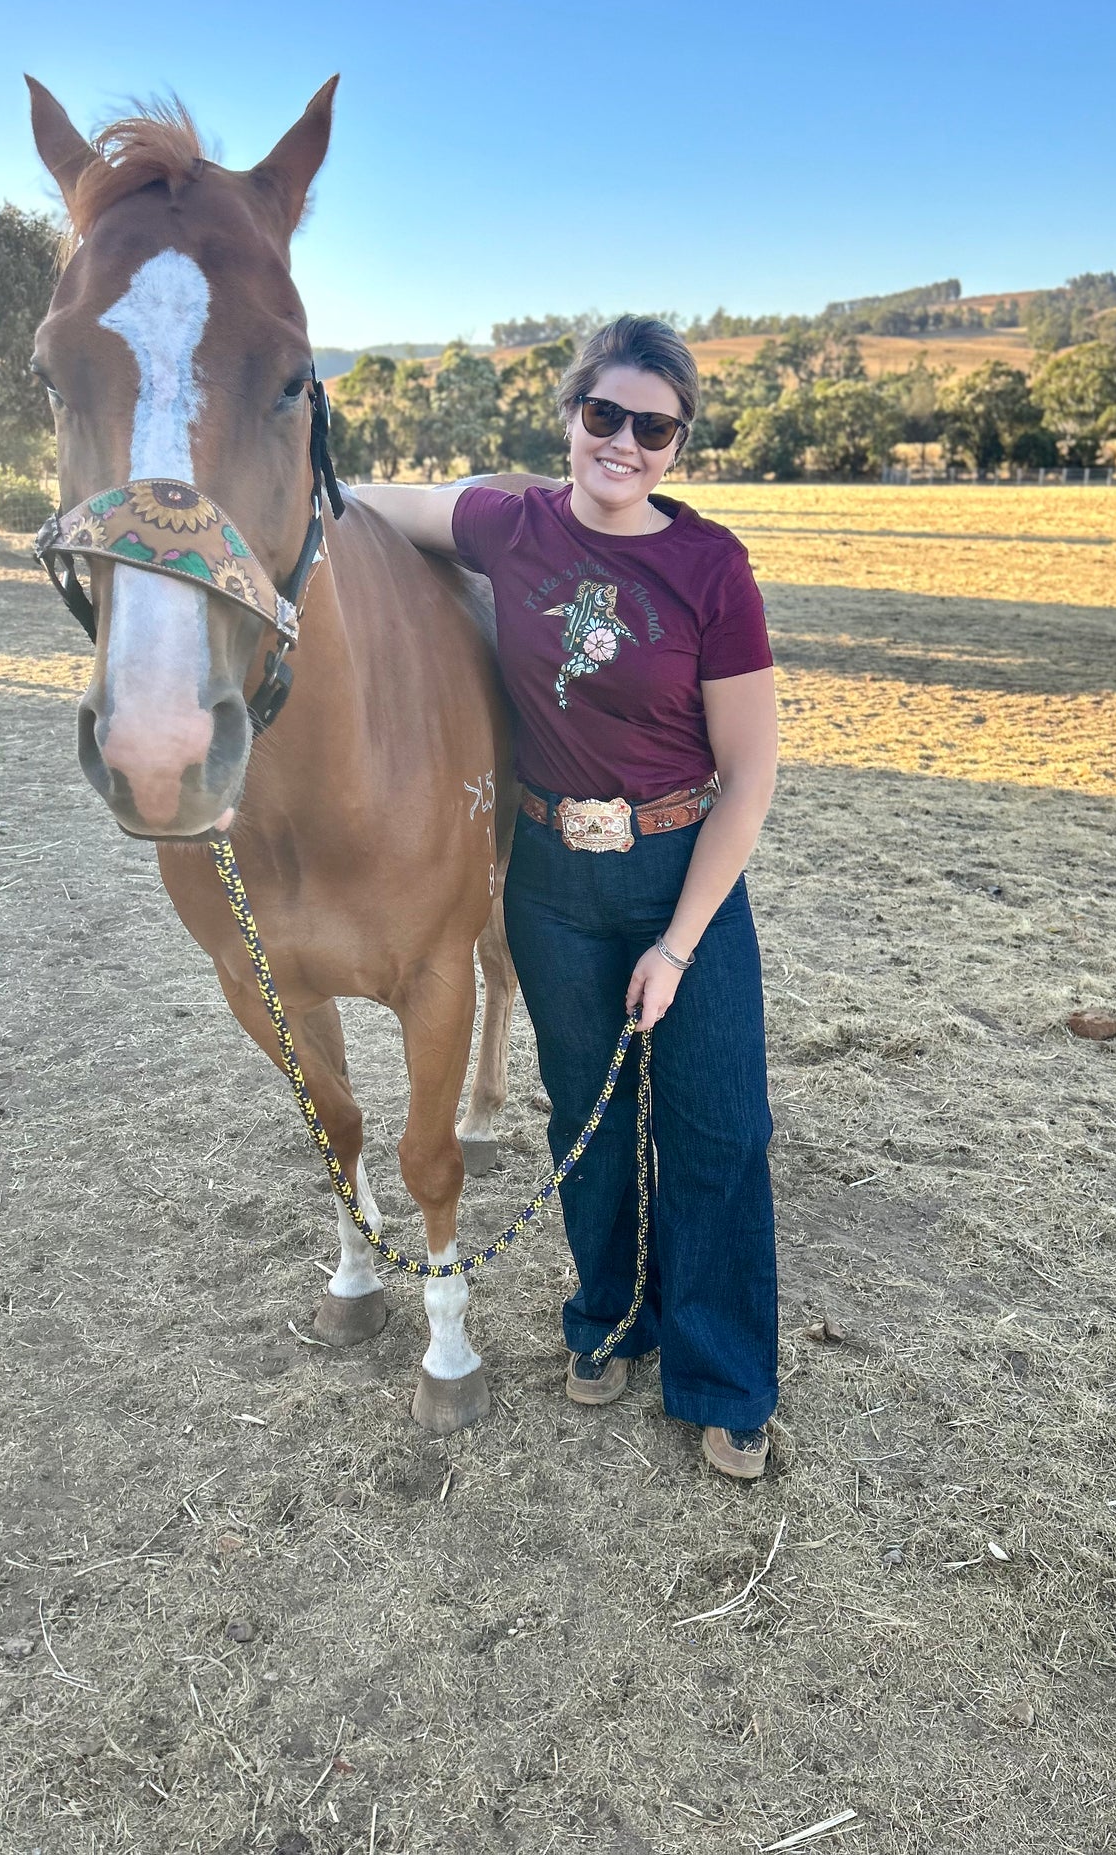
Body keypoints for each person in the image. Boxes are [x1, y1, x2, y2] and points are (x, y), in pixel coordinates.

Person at [350, 316, 779, 1481]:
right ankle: (606, 1319)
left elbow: (748, 778)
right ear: (571, 415)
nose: (624, 443)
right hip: (547, 878)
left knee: (715, 1127)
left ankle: (724, 1375)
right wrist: (281, 454)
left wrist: (679, 944)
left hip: (677, 869)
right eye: (605, 416)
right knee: (583, 1119)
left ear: (676, 444)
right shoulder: (512, 523)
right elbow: (372, 505)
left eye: (654, 427)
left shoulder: (708, 568)